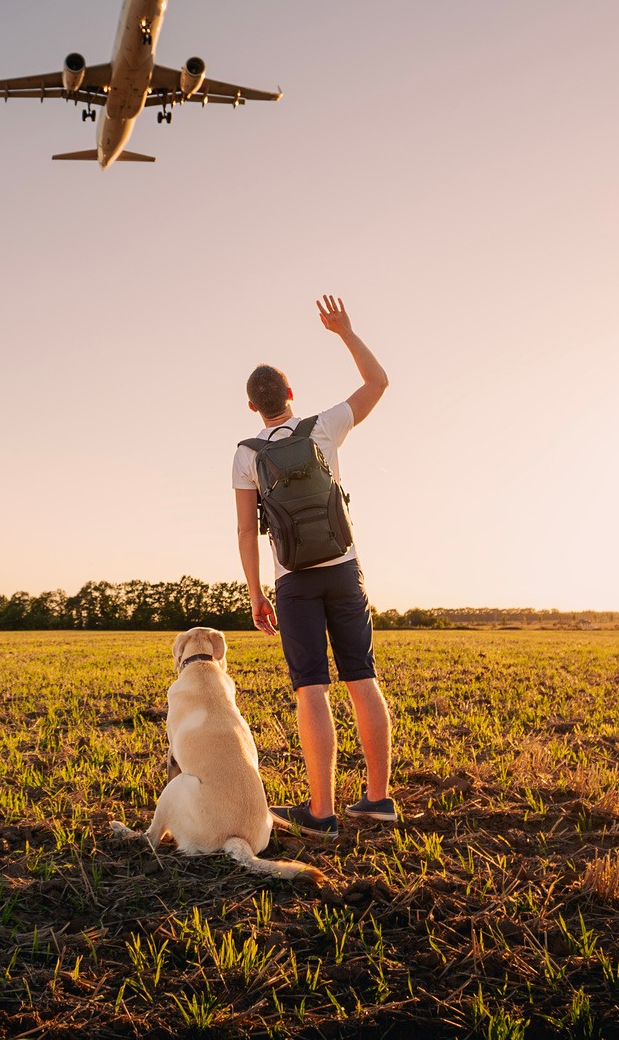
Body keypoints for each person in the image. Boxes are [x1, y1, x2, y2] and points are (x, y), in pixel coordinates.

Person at [235, 295, 395, 835]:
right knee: (362, 679)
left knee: (312, 688)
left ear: (254, 407)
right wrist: (346, 332)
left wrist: (256, 594)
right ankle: (378, 799)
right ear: (290, 396)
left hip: (293, 581)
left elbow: (245, 531)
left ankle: (321, 811)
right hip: (344, 568)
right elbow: (378, 383)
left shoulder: (246, 453)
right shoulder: (324, 427)